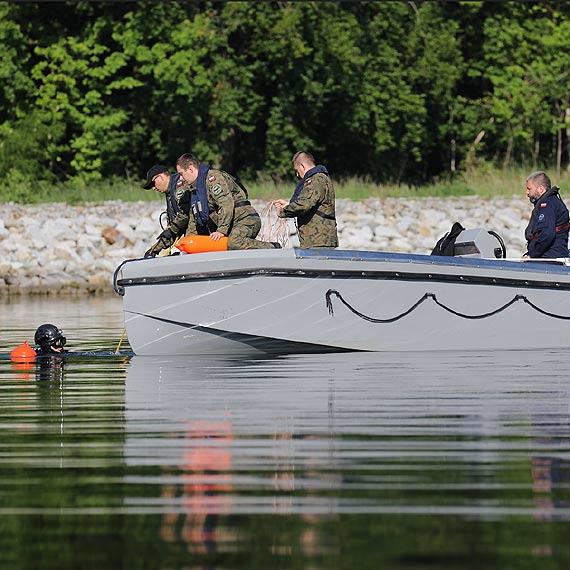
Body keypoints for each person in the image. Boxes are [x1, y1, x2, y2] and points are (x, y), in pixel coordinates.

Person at [175, 153, 280, 249]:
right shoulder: (194, 190)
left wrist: (221, 230)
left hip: (245, 219)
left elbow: (226, 203)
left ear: (190, 169)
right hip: (230, 226)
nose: (180, 178)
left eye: (181, 173)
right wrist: (187, 242)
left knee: (234, 242)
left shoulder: (213, 179)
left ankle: (272, 247)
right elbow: (194, 218)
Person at [273, 151, 338, 249]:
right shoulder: (321, 178)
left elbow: (303, 205)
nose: (297, 175)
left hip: (318, 242)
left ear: (302, 166)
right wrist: (288, 204)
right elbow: (311, 203)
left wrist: (283, 211)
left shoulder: (316, 180)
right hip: (319, 240)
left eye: (297, 170)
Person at [142, 164, 191, 258]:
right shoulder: (170, 195)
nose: (153, 188)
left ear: (160, 177)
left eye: (153, 184)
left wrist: (171, 230)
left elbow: (184, 215)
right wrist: (154, 249)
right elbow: (172, 231)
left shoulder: (180, 185)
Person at [524, 171, 569, 258]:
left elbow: (547, 234)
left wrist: (532, 255)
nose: (527, 192)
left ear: (541, 189)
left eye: (529, 189)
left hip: (550, 258)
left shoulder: (547, 205)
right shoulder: (552, 202)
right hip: (550, 255)